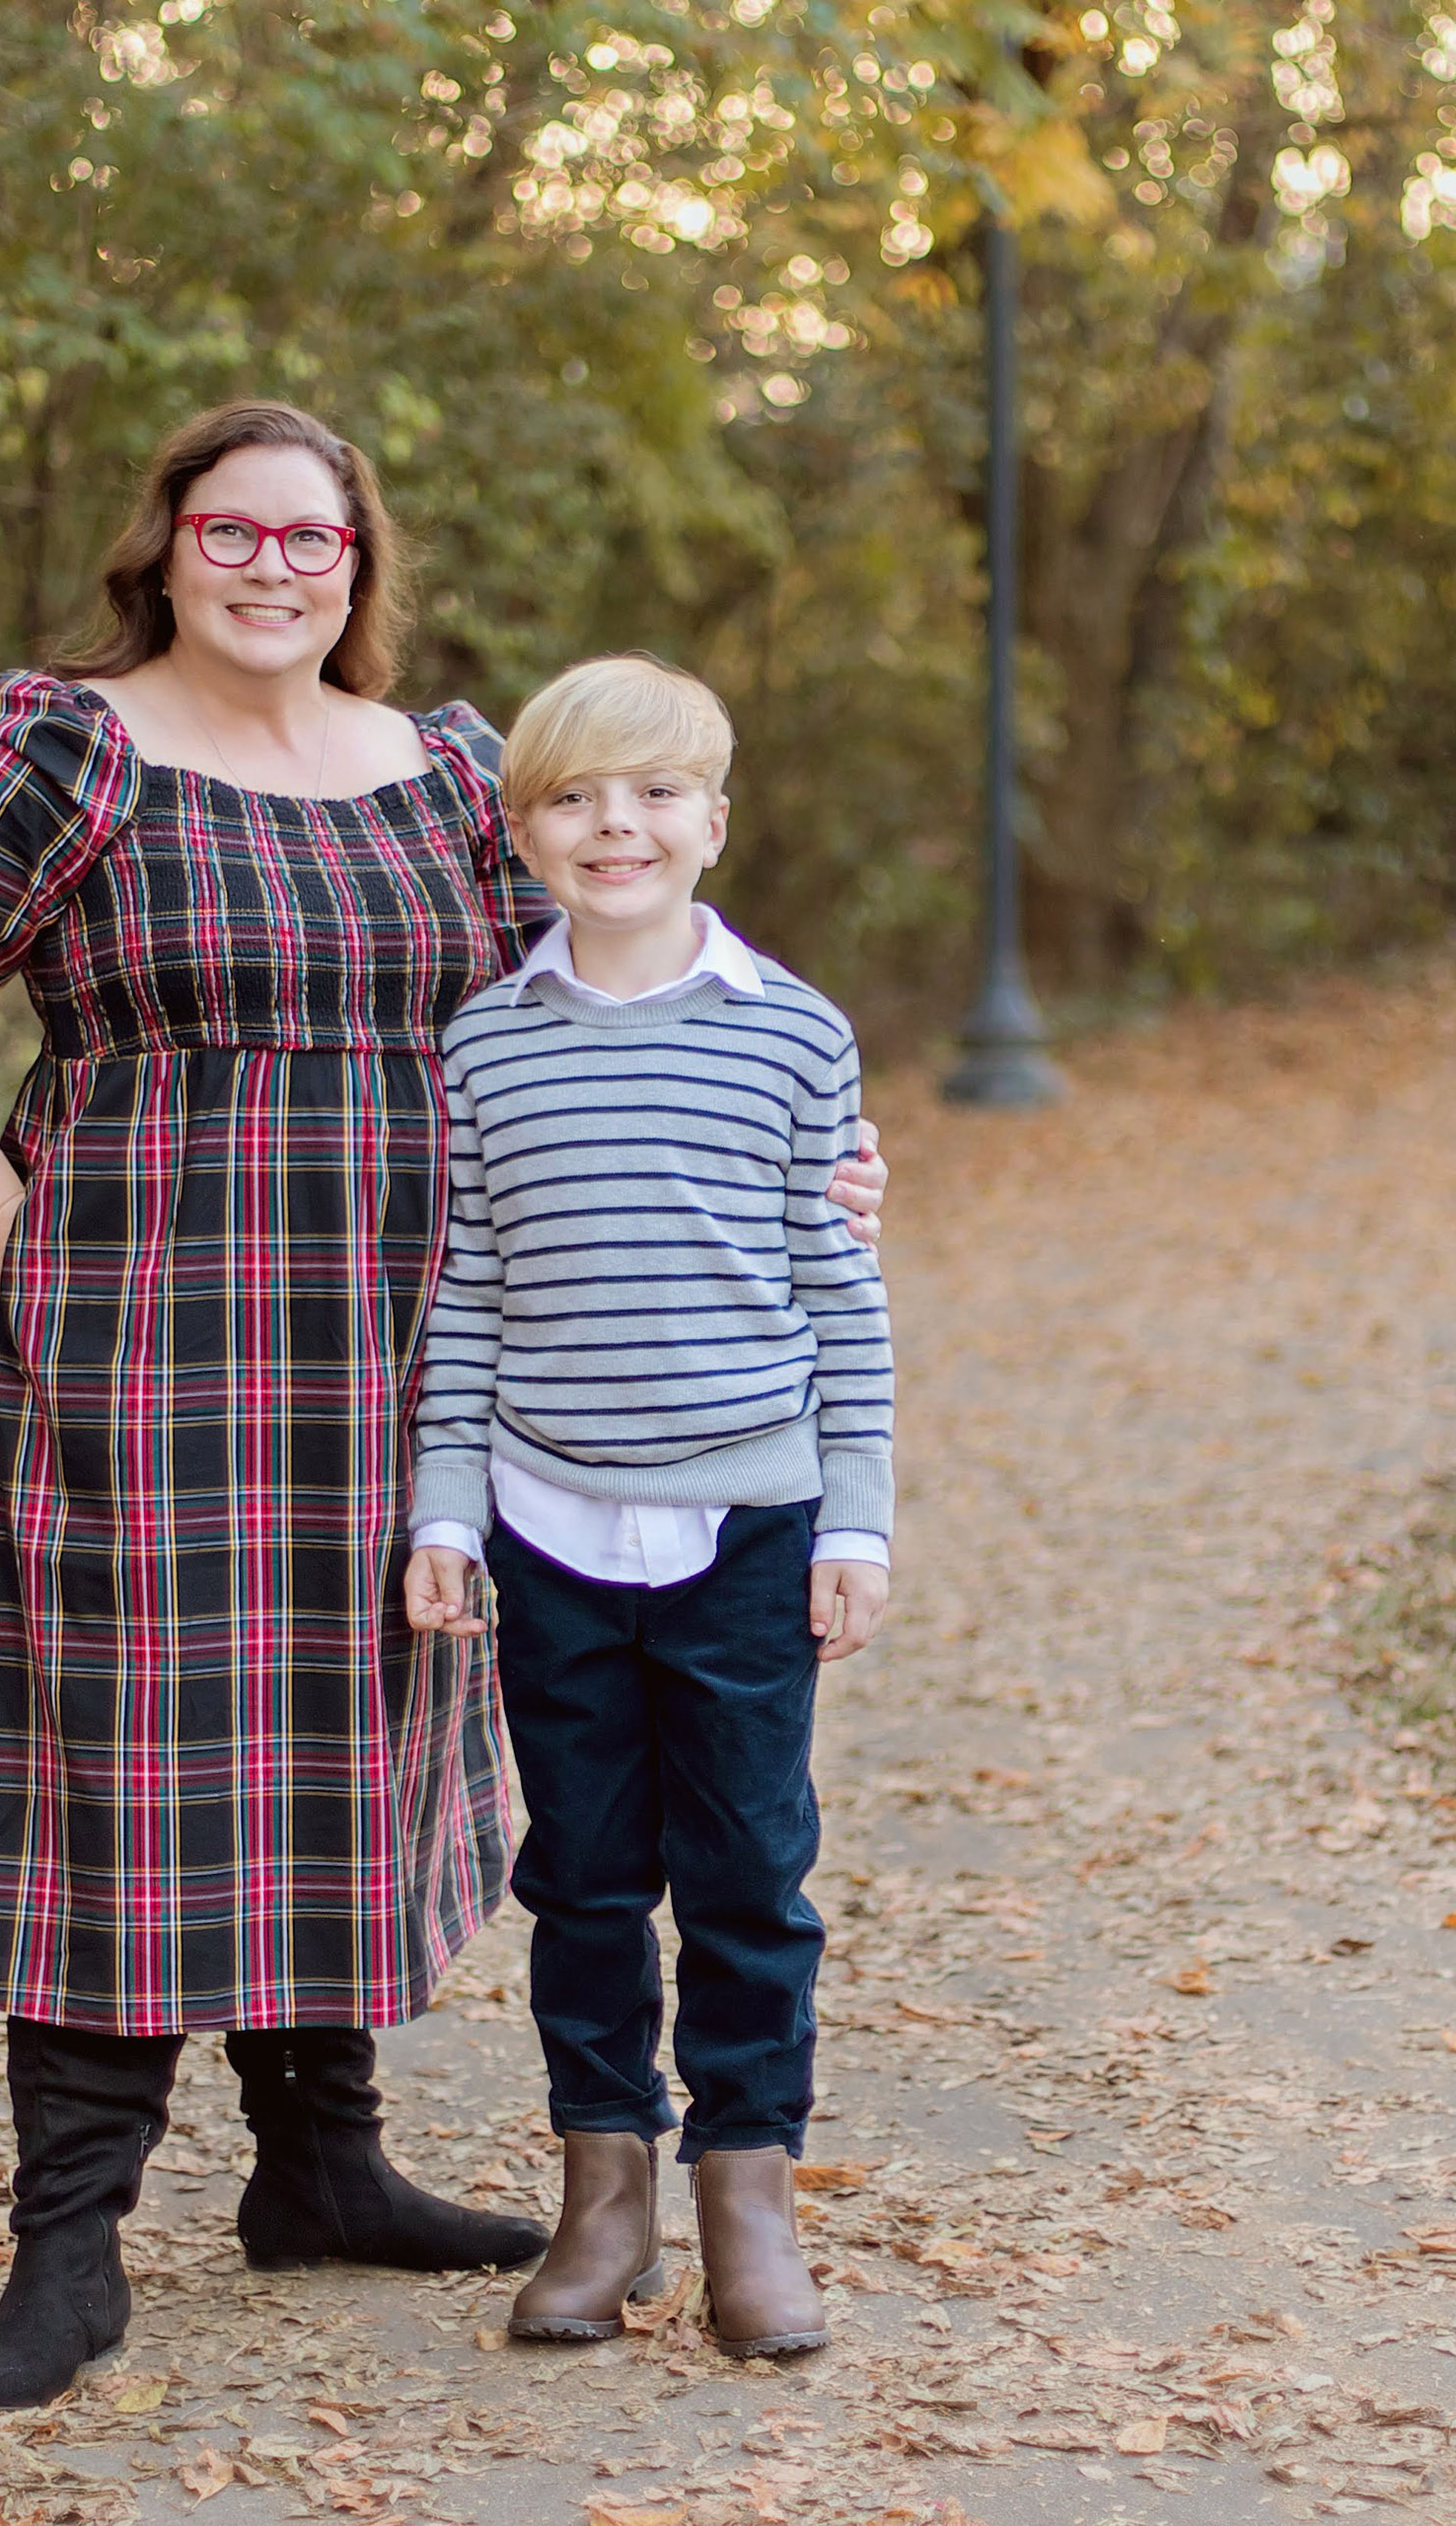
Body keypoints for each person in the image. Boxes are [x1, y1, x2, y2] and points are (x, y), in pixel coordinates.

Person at [0, 406, 888, 2412]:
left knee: (352, 1734)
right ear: (168, 542)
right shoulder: (69, 749)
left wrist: (807, 1152)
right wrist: (37, 1244)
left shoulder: (449, 773)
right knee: (113, 1751)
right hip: (135, 1362)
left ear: (362, 565)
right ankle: (69, 2241)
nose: (274, 567)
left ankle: (322, 2163)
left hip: (410, 1352)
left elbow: (613, 972)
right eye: (235, 529)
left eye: (317, 538)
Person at [400, 655, 891, 2361]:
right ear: (523, 833)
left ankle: (747, 2192)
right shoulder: (485, 1039)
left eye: (656, 793)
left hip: (748, 1520)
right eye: (578, 799)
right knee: (588, 1876)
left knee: (753, 1869)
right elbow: (467, 1295)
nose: (619, 825)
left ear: (714, 822)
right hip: (544, 1522)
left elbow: (842, 1296)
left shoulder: (792, 1030)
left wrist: (857, 1515)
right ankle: (604, 2194)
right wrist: (445, 1511)